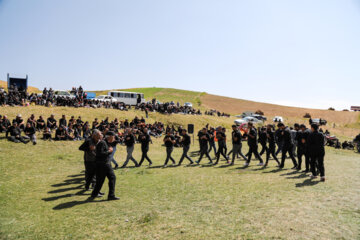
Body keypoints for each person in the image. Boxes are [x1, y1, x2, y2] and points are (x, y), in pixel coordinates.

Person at [89, 131, 119, 201]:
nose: (114, 138)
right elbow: (100, 153)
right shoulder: (102, 142)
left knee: (100, 180)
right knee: (112, 177)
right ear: (109, 137)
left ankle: (94, 194)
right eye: (113, 136)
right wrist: (109, 151)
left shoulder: (104, 142)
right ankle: (111, 195)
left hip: (101, 164)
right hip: (104, 164)